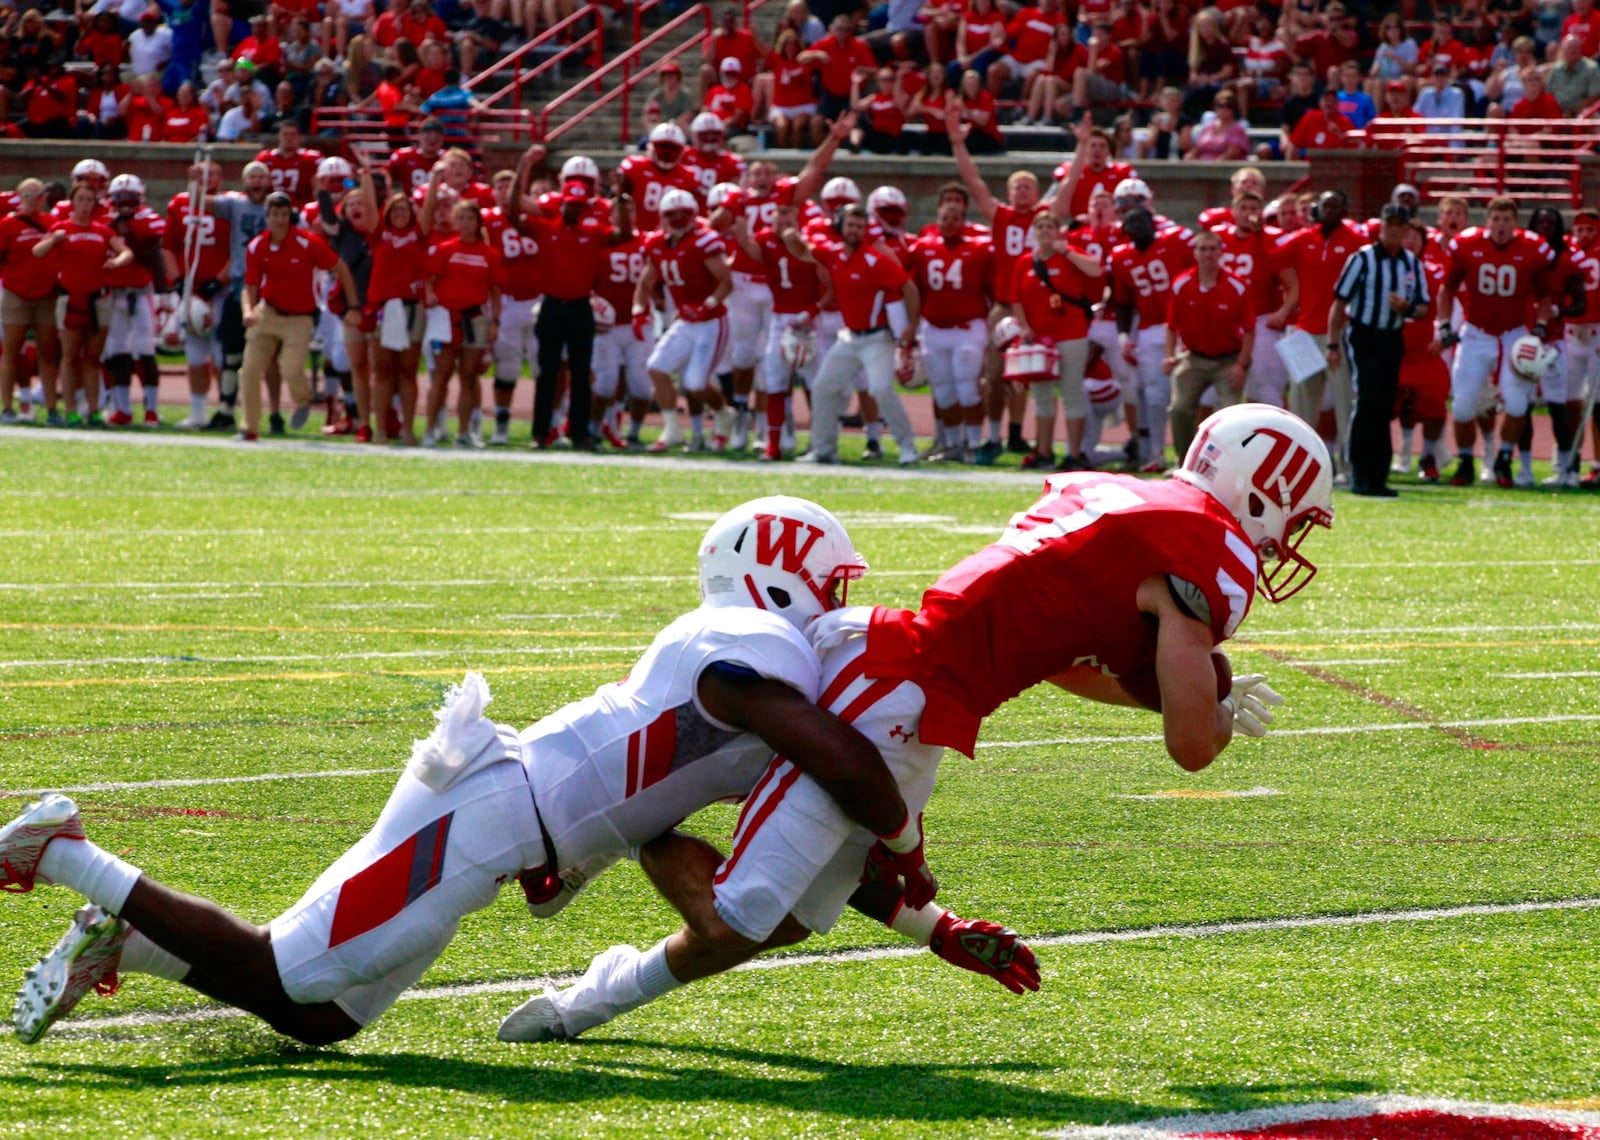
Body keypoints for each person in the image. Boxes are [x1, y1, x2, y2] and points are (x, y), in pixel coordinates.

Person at [500, 402, 1334, 1045]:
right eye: (1292, 514)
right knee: (741, 917)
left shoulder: (1116, 494)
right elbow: (1191, 748)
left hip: (906, 674)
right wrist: (1212, 703)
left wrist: (936, 927)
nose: (1287, 538)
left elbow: (1049, 654)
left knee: (787, 918)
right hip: (899, 684)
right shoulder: (1209, 547)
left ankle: (631, 855)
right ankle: (593, 977)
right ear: (1260, 489)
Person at [5, 497, 967, 1048]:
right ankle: (70, 853)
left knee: (328, 1015)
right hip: (490, 808)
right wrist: (905, 835)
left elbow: (808, 826)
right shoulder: (751, 647)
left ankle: (124, 943)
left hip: (510, 822)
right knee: (285, 971)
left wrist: (929, 922)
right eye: (832, 585)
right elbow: (846, 769)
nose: (840, 606)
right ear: (778, 574)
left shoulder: (768, 675)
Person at [788, 203, 922, 465]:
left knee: (880, 388)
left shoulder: (874, 260)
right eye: (850, 224)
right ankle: (823, 448)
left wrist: (911, 325)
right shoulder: (834, 254)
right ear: (841, 226)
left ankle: (908, 446)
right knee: (823, 386)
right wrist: (790, 235)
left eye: (860, 226)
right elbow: (803, 253)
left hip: (876, 338)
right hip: (849, 338)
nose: (854, 230)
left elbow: (908, 286)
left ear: (865, 231)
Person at [1438, 196, 1557, 487]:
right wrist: (1443, 324)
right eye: (1496, 219)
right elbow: (1447, 289)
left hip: (1514, 334)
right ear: (1487, 221)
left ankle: (1503, 459)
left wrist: (1541, 325)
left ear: (1515, 223)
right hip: (1476, 332)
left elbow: (1544, 295)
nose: (1501, 226)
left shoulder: (1531, 248)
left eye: (1506, 220)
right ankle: (1466, 461)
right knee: (1464, 405)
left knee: (1517, 405)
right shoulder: (1468, 245)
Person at [1326, 204, 1432, 498]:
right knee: (1368, 401)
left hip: (1392, 337)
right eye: (1390, 224)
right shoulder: (1362, 259)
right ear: (1381, 227)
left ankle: (1378, 475)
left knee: (1385, 405)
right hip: (1363, 336)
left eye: (1400, 225)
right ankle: (1360, 471)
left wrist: (1406, 308)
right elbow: (1339, 303)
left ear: (1407, 229)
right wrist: (1333, 343)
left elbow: (1423, 307)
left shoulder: (1411, 263)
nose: (1395, 230)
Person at [236, 191, 359, 441]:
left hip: (299, 317)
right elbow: (249, 286)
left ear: (290, 216)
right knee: (249, 370)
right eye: (275, 214)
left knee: (291, 369)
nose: (280, 220)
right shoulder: (257, 245)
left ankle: (302, 401)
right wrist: (248, 311)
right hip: (267, 311)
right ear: (267, 217)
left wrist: (353, 305)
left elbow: (341, 268)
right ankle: (250, 427)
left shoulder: (308, 243)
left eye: (283, 214)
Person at [1164, 227, 1253, 459]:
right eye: (1202, 249)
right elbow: (1171, 326)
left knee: (1229, 416)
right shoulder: (1181, 284)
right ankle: (1183, 461)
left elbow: (1250, 330)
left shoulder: (1237, 285)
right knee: (1179, 408)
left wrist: (1241, 365)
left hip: (1228, 360)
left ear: (1221, 252)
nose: (1208, 254)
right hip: (1193, 358)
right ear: (1194, 253)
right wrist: (1169, 356)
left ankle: (1225, 466)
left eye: (1213, 249)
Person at [0, 179, 62, 425]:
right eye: (29, 194)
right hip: (17, 293)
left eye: (38, 195)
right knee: (11, 352)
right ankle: (7, 406)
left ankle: (51, 408)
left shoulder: (50, 222)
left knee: (47, 353)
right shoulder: (8, 225)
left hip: (46, 295)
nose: (35, 199)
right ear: (20, 196)